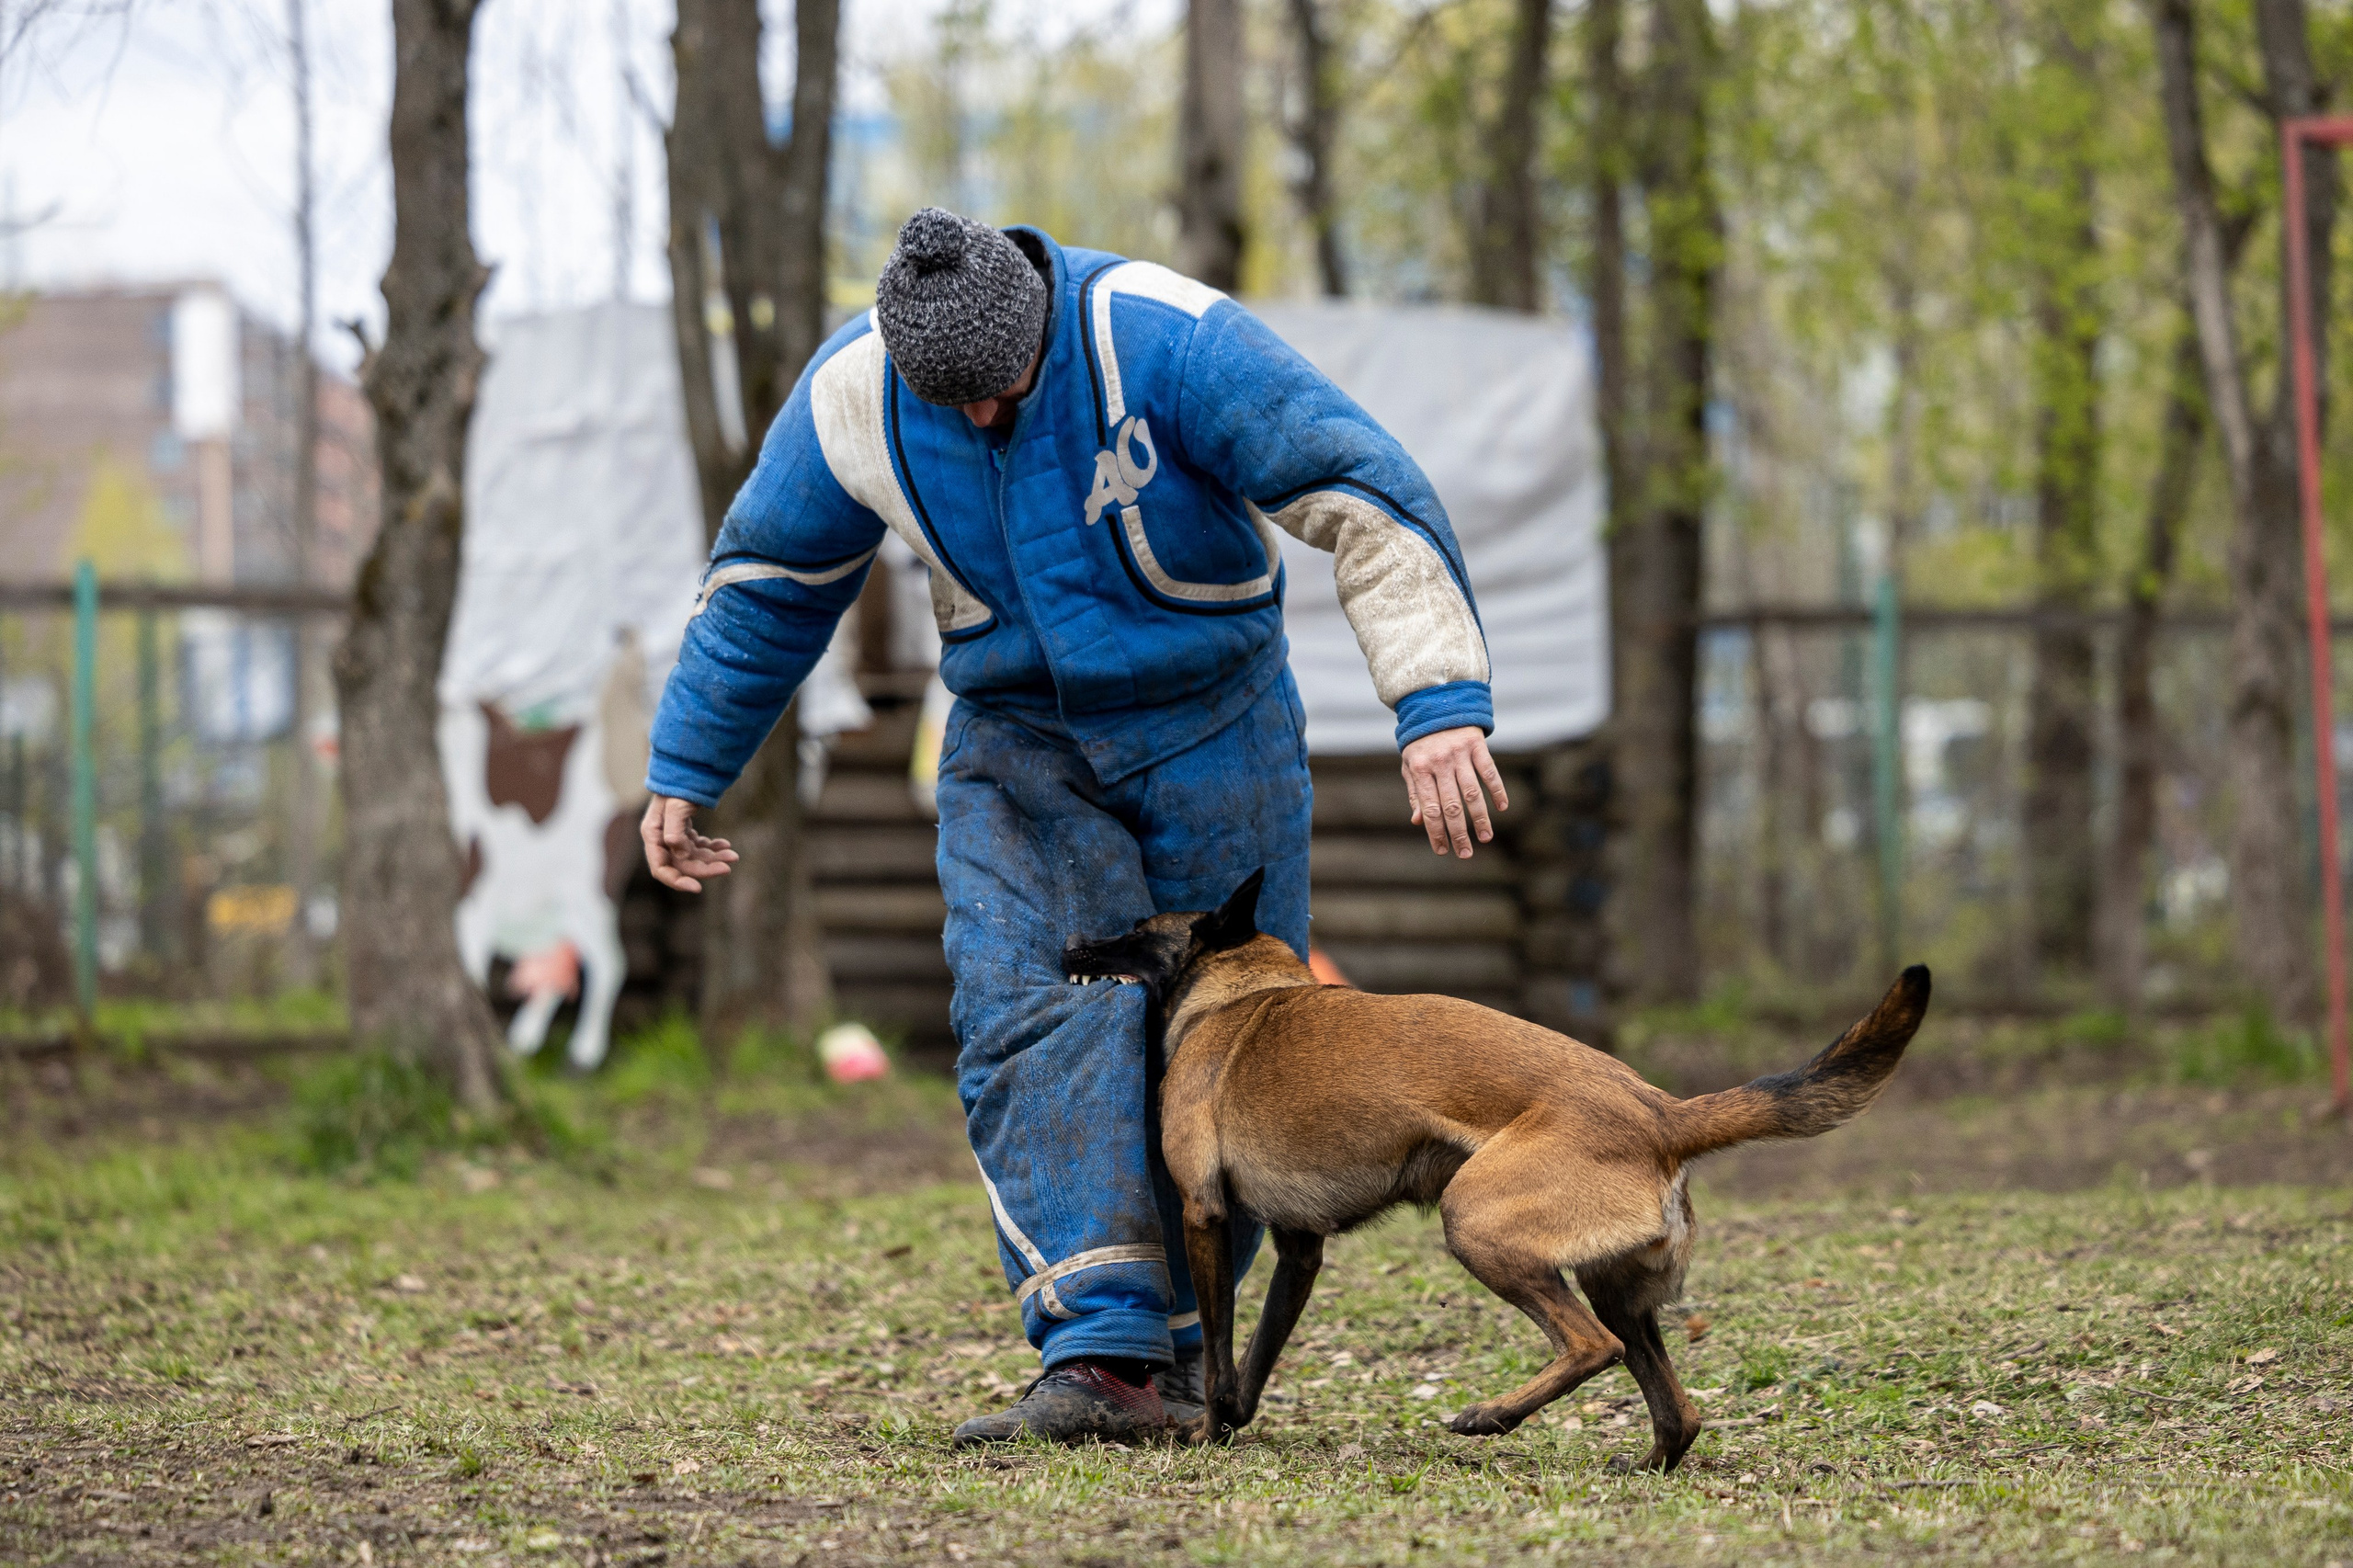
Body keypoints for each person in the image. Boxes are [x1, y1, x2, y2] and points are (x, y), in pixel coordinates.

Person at [641, 208, 1506, 1446]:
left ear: (1036, 320)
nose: (982, 414)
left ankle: (1188, 1348)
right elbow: (765, 587)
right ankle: (1102, 1354)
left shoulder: (1167, 338)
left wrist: (1435, 702)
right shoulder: (851, 396)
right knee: (1027, 1007)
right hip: (1016, 742)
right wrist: (687, 764)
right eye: (952, 401)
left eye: (1002, 388)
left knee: (1227, 1041)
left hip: (1216, 725)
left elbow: (1360, 485)